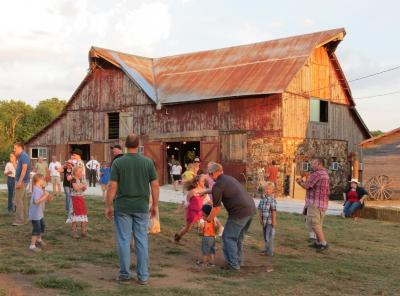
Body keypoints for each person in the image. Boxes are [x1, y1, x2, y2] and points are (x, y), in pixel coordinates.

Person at [105, 134, 159, 285]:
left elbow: (112, 186)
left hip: (122, 207)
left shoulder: (118, 162)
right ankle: (143, 276)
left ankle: (124, 274)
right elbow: (154, 185)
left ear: (125, 145)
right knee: (141, 241)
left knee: (123, 241)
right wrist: (154, 205)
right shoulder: (148, 162)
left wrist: (108, 205)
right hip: (141, 207)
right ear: (138, 144)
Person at [207, 163, 256, 270]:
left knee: (228, 237)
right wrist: (205, 191)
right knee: (238, 238)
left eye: (210, 174)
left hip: (239, 213)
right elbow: (221, 189)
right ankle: (239, 261)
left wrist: (208, 220)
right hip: (250, 210)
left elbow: (216, 208)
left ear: (215, 172)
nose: (210, 176)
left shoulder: (218, 185)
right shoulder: (229, 179)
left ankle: (233, 265)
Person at [296, 158, 330, 252]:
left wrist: (299, 181)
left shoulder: (317, 174)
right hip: (323, 203)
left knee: (314, 223)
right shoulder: (325, 174)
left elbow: (307, 186)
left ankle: (323, 243)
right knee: (317, 223)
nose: (312, 165)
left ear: (319, 164)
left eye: (313, 163)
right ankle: (319, 243)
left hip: (314, 203)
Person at [174, 174, 208, 243]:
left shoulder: (204, 191)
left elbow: (207, 200)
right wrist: (183, 211)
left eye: (205, 181)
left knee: (204, 227)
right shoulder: (192, 192)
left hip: (200, 212)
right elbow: (186, 201)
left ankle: (208, 244)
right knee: (187, 228)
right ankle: (177, 237)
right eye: (203, 181)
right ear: (198, 182)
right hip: (192, 212)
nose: (204, 182)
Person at [28, 174, 53, 252]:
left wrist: (48, 197)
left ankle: (39, 239)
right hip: (35, 214)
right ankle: (32, 246)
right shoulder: (36, 190)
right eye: (43, 179)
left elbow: (45, 198)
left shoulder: (41, 189)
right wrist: (45, 196)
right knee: (36, 229)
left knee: (42, 225)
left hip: (39, 213)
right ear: (38, 181)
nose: (44, 181)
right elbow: (36, 201)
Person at [12, 142, 32, 226]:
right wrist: (13, 162)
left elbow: (24, 169)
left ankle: (20, 220)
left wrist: (20, 181)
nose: (14, 149)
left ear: (20, 147)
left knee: (18, 200)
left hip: (22, 181)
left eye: (15, 148)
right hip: (22, 180)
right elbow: (19, 169)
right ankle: (25, 219)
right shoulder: (21, 156)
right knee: (23, 200)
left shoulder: (23, 156)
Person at [68, 166, 89, 238]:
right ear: (75, 172)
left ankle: (84, 231)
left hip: (80, 198)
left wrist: (84, 188)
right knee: (75, 216)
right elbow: (76, 188)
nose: (81, 173)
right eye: (79, 171)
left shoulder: (80, 179)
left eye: (81, 171)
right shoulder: (73, 179)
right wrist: (82, 185)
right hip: (74, 199)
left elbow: (81, 190)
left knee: (83, 214)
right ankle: (74, 232)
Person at [258, 182, 277, 256]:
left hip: (269, 221)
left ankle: (269, 252)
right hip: (264, 221)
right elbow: (260, 209)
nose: (267, 190)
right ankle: (266, 249)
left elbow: (273, 211)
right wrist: (260, 218)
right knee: (265, 236)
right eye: (265, 189)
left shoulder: (272, 200)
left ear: (272, 191)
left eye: (269, 189)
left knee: (269, 236)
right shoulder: (262, 199)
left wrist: (274, 221)